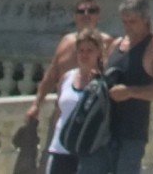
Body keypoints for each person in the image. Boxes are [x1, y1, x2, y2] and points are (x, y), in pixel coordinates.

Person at [99, 0, 153, 174]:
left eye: (132, 22)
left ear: (145, 19)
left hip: (132, 132)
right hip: (105, 128)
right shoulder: (116, 44)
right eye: (124, 22)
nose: (127, 27)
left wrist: (130, 92)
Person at [39, 27, 111, 174]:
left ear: (99, 52)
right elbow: (59, 112)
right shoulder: (67, 78)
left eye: (89, 50)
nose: (84, 55)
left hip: (89, 152)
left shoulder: (104, 83)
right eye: (81, 50)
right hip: (60, 148)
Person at [30, 0, 104, 127]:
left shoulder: (107, 43)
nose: (86, 14)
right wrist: (36, 104)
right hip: (61, 117)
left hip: (90, 120)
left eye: (91, 11)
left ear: (98, 16)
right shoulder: (65, 42)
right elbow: (51, 76)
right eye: (81, 11)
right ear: (75, 16)